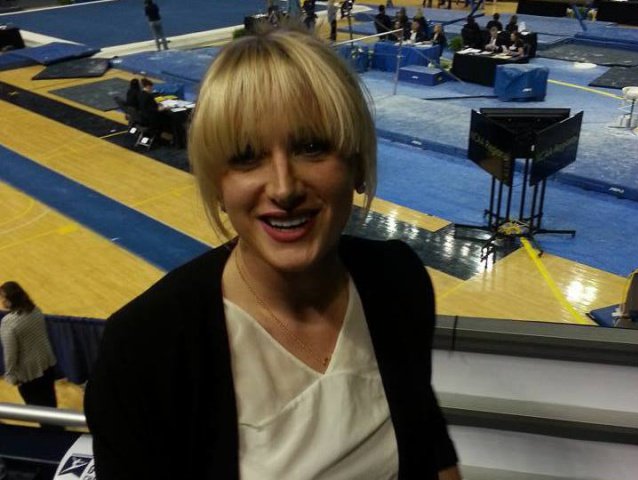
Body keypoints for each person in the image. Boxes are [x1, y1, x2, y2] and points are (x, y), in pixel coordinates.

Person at [85, 28, 461, 479]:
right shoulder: (143, 350)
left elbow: (430, 445)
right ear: (217, 185)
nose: (283, 188)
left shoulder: (397, 281)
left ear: (357, 164)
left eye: (311, 147)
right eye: (247, 156)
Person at [0, 282, 58, 412]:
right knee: (51, 406)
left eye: (2, 297)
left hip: (28, 374)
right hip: (47, 365)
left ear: (10, 300)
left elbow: (10, 354)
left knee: (37, 410)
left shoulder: (9, 323)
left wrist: (11, 375)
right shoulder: (36, 310)